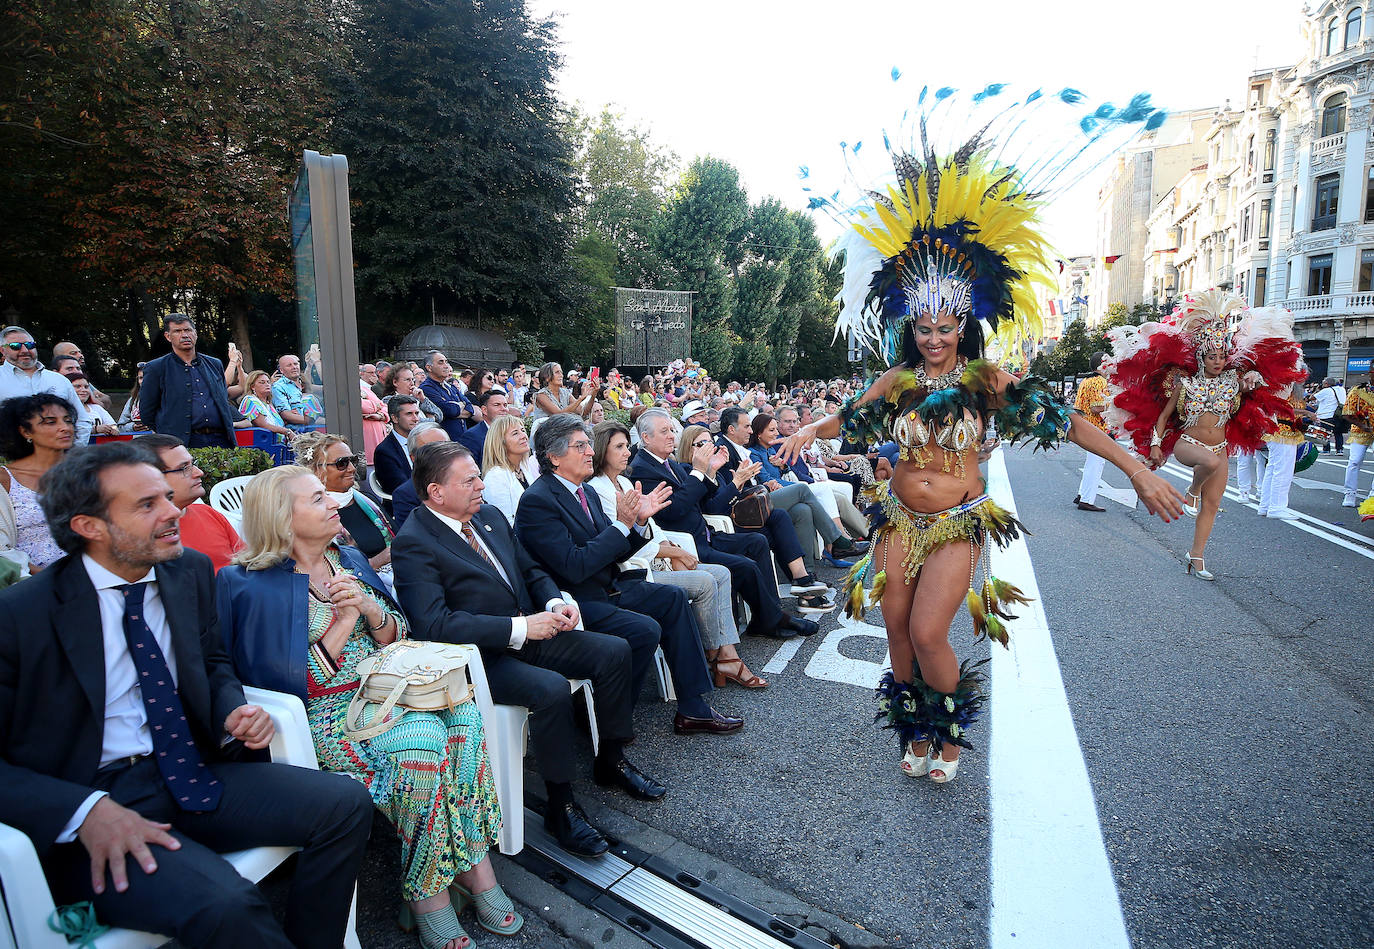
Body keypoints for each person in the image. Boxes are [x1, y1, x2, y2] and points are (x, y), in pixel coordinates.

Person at [777, 117, 1184, 784]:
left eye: (945, 327)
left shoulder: (985, 380)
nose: (934, 339)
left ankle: (951, 732)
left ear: (963, 323)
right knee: (899, 633)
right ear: (912, 325)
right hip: (898, 518)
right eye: (924, 328)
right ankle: (913, 727)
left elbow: (1067, 423)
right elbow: (845, 418)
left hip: (958, 520)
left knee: (933, 633)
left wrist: (1135, 467)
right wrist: (804, 431)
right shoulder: (900, 381)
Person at [0, 443, 374, 949]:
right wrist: (84, 809)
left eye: (166, 497)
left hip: (189, 773)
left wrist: (230, 710)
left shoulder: (187, 571)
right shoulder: (21, 616)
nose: (174, 511)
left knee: (345, 802)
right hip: (94, 809)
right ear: (89, 526)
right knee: (226, 904)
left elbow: (214, 662)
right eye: (147, 504)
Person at [218, 466, 519, 949]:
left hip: (388, 687)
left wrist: (374, 611)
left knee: (462, 714)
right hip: (326, 715)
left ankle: (469, 867)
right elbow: (293, 687)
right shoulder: (250, 584)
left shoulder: (347, 557)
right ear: (282, 518)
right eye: (318, 499)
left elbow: (400, 632)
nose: (334, 504)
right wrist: (344, 619)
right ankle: (428, 894)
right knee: (424, 742)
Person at [392, 441, 665, 858]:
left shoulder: (488, 516)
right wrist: (520, 627)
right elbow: (434, 625)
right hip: (479, 659)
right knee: (551, 689)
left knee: (615, 651)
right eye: (470, 480)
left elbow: (530, 569)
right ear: (436, 492)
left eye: (479, 476)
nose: (482, 485)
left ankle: (610, 759)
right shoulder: (414, 541)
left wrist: (554, 601)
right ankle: (561, 806)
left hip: (528, 631)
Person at [515, 415, 741, 733]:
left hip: (609, 585)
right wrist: (623, 524)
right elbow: (574, 566)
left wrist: (637, 523)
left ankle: (693, 707)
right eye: (580, 446)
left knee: (673, 598)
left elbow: (616, 552)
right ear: (553, 456)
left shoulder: (584, 493)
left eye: (588, 445)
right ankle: (608, 716)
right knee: (645, 629)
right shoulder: (537, 501)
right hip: (575, 600)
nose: (590, 452)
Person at [1106, 290, 1306, 557]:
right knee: (1209, 465)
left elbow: (1257, 385)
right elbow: (1164, 417)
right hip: (1187, 444)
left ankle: (1196, 556)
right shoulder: (1184, 384)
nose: (1218, 362)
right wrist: (1155, 445)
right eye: (1212, 357)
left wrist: (1253, 380)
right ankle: (1192, 489)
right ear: (1201, 357)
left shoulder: (1234, 382)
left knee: (1212, 504)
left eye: (1222, 357)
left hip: (1219, 446)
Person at [590, 420, 764, 689]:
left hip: (671, 548)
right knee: (707, 580)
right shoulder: (601, 488)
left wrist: (674, 548)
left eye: (627, 445)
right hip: (639, 568)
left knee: (722, 572)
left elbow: (653, 525)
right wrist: (672, 551)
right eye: (620, 447)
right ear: (603, 451)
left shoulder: (624, 480)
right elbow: (627, 535)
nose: (628, 452)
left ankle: (724, 655)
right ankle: (715, 654)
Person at [631, 410, 819, 640]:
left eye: (672, 430)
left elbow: (703, 501)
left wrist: (710, 471)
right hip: (687, 545)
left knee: (758, 541)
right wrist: (702, 471)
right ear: (646, 437)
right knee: (746, 564)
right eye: (664, 431)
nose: (671, 435)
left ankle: (770, 614)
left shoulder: (669, 465)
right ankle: (772, 617)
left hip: (707, 533)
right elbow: (675, 510)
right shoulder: (643, 468)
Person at [712, 407, 840, 599]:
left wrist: (771, 476)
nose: (750, 430)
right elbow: (729, 488)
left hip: (759, 498)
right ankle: (836, 541)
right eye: (746, 426)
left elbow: (758, 478)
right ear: (731, 429)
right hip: (745, 509)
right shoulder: (722, 450)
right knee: (802, 489)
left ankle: (807, 576)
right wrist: (751, 481)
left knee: (802, 510)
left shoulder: (741, 448)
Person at [745, 412, 867, 568]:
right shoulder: (755, 453)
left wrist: (782, 466)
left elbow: (786, 471)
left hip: (787, 488)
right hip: (772, 494)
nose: (776, 433)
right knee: (813, 489)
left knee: (805, 508)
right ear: (759, 434)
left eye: (776, 429)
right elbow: (767, 480)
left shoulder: (770, 450)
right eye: (772, 430)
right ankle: (839, 539)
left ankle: (810, 567)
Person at [136, 434, 242, 572]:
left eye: (193, 464)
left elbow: (246, 565)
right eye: (184, 468)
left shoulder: (209, 513)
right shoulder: (138, 535)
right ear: (151, 477)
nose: (199, 472)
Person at [294, 431, 394, 574]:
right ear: (317, 469)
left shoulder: (366, 500)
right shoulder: (313, 518)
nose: (352, 468)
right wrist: (374, 563)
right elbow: (323, 570)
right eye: (342, 463)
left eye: (353, 461)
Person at [0, 394, 77, 569]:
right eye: (50, 422)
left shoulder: (88, 471)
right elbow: (2, 549)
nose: (64, 428)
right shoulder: (5, 480)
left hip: (93, 578)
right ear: (25, 431)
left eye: (67, 420)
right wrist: (44, 580)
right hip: (28, 583)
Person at [139, 314, 237, 448]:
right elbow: (147, 413)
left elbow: (222, 399)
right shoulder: (156, 368)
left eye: (188, 330)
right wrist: (170, 432)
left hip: (221, 441)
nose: (184, 335)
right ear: (168, 336)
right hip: (182, 444)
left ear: (195, 334)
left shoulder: (215, 364)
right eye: (177, 331)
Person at [0, 325, 92, 442]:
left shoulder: (59, 380)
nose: (25, 350)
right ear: (2, 350)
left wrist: (72, 454)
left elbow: (82, 420)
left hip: (59, 456)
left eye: (29, 345)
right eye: (15, 346)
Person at [1256, 382, 1316, 520]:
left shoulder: (1285, 389)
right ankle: (1277, 507)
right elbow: (1282, 409)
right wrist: (1306, 412)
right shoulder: (1283, 388)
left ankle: (1265, 506)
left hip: (1280, 433)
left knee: (1273, 469)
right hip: (1282, 433)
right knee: (1283, 471)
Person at [480, 414, 541, 526]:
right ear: (500, 442)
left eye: (523, 430)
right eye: (515, 433)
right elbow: (505, 523)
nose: (523, 436)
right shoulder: (495, 476)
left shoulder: (524, 468)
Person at [1071, 354, 1112, 512]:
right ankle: (1087, 500)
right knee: (1096, 464)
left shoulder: (1086, 380)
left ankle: (1082, 495)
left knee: (1091, 464)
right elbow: (1096, 407)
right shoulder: (1099, 381)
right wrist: (1116, 404)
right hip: (1095, 430)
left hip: (1085, 427)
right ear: (1102, 365)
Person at [392, 424, 450, 530]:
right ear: (413, 458)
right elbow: (413, 539)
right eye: (432, 449)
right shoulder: (406, 495)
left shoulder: (468, 480)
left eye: (446, 446)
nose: (443, 453)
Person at [374, 395, 424, 495]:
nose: (416, 419)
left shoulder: (424, 441)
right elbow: (400, 488)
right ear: (395, 418)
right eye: (409, 414)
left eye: (417, 413)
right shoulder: (384, 452)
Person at [419, 351, 473, 439]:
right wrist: (460, 404)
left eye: (446, 362)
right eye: (441, 362)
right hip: (445, 442)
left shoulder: (451, 387)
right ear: (429, 368)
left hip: (462, 440)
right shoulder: (426, 388)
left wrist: (454, 409)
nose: (446, 366)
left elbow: (470, 409)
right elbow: (449, 410)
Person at [237, 369, 296, 443]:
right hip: (263, 445)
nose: (267, 384)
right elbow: (264, 425)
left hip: (279, 443)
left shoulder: (269, 403)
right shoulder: (250, 400)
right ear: (252, 387)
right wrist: (287, 432)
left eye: (268, 382)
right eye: (262, 383)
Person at [53, 341, 114, 411]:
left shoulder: (82, 378)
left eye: (80, 352)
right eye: (73, 353)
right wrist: (93, 398)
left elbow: (106, 400)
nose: (80, 355)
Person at [271, 354, 324, 431]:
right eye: (289, 365)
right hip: (299, 432)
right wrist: (310, 421)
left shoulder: (304, 382)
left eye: (295, 364)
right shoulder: (278, 387)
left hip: (317, 428)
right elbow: (286, 415)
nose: (294, 367)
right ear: (281, 370)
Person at [530, 362, 595, 424]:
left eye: (561, 372)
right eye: (557, 372)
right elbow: (559, 416)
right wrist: (581, 399)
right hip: (546, 434)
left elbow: (583, 413)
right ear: (547, 377)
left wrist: (594, 393)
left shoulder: (565, 393)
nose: (561, 375)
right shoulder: (541, 395)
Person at [1343, 381, 1374, 508]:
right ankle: (1349, 493)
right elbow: (1346, 413)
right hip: (1360, 431)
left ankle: (1372, 496)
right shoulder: (1358, 390)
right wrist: (1362, 425)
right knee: (1354, 461)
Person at [458, 389, 509, 460]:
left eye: (505, 405)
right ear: (484, 410)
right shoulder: (472, 437)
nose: (504, 409)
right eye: (497, 405)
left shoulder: (511, 431)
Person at [1314, 376, 1347, 453]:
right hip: (1338, 414)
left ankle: (1326, 449)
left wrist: (1318, 389)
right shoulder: (1342, 389)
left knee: (1325, 432)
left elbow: (1313, 397)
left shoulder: (1326, 390)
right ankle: (1339, 449)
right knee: (1338, 433)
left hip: (1327, 415)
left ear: (1326, 383)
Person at [118, 363, 150, 433]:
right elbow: (120, 427)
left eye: (147, 377)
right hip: (137, 441)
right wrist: (132, 427)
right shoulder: (133, 400)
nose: (144, 381)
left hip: (158, 440)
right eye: (141, 378)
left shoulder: (164, 398)